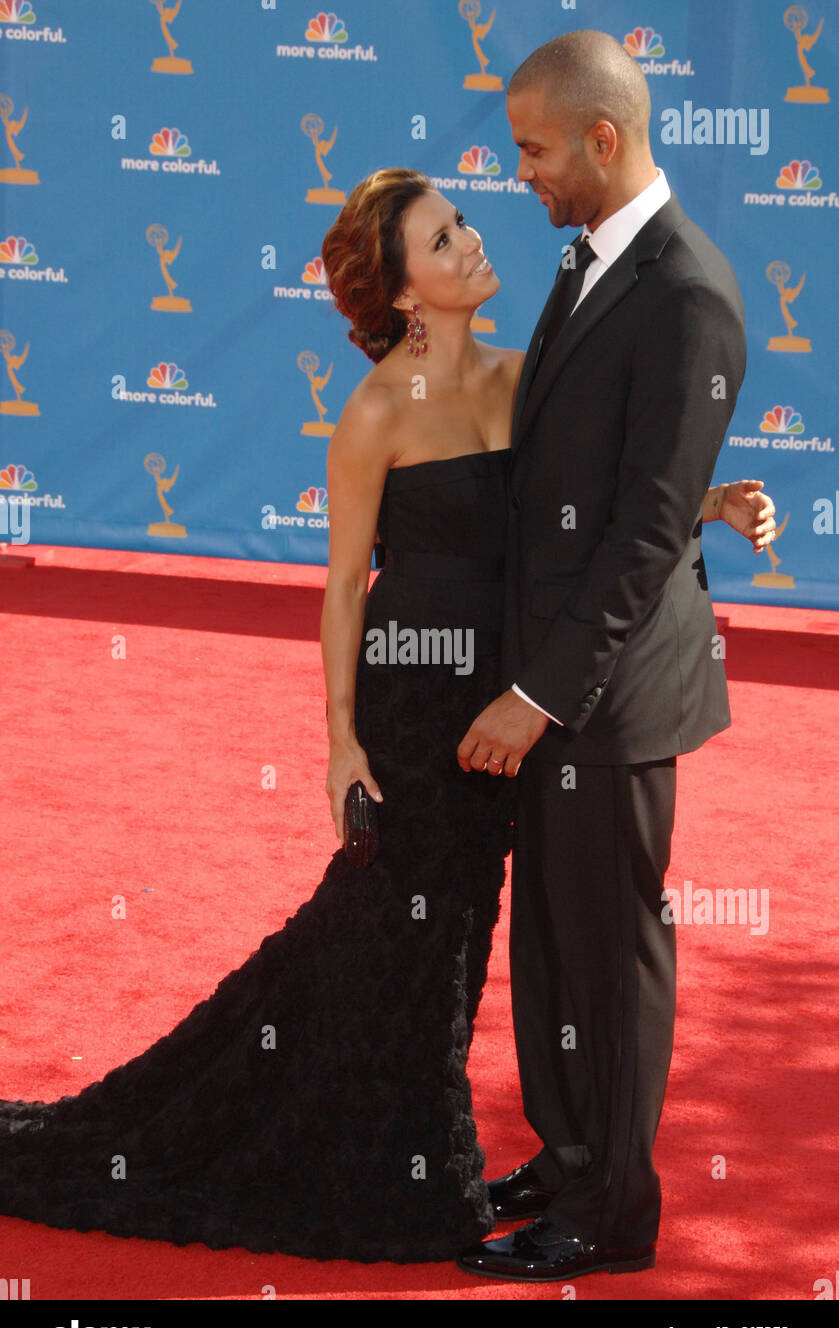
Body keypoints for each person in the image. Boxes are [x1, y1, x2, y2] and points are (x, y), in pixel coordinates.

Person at [0, 165, 772, 1264]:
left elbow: (602, 507)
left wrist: (710, 500)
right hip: (417, 709)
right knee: (392, 935)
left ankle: (467, 1147)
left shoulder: (523, 379)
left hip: (509, 703)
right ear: (405, 293)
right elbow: (340, 587)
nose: (469, 244)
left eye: (459, 226)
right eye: (441, 241)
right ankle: (376, 1156)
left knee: (455, 937)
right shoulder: (371, 415)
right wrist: (340, 745)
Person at [455, 30, 753, 1281]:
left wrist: (534, 693)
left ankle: (614, 1213)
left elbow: (635, 533)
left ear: (600, 137)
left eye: (529, 148)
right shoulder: (591, 261)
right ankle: (568, 1151)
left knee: (611, 947)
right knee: (550, 940)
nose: (515, 171)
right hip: (561, 673)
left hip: (608, 697)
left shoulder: (686, 292)